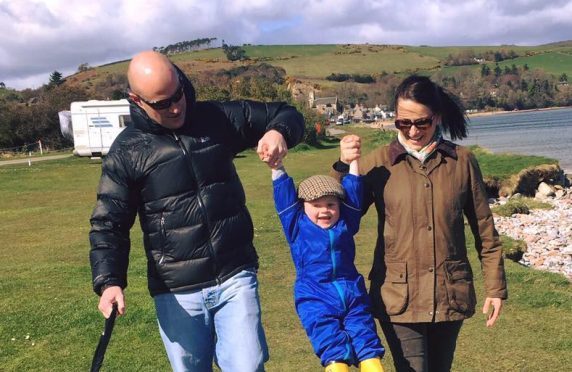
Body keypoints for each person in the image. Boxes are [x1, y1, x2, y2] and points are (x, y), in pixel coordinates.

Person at [89, 50, 305, 372]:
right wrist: (109, 281)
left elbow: (286, 114)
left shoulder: (216, 118)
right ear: (136, 99)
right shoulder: (127, 151)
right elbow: (109, 223)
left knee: (248, 366)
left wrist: (278, 132)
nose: (176, 106)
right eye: (162, 103)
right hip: (177, 290)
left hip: (235, 274)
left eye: (177, 95)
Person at [332, 75, 507, 372]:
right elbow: (340, 214)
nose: (412, 131)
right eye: (403, 123)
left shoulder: (462, 162)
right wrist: (342, 168)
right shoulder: (378, 162)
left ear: (436, 117)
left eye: (421, 123)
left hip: (450, 294)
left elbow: (484, 230)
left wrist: (496, 288)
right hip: (398, 297)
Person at [269, 157, 385, 372]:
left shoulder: (346, 223)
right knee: (332, 349)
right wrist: (277, 167)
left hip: (352, 293)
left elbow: (353, 194)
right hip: (314, 296)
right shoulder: (296, 226)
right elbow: (284, 197)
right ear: (302, 207)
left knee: (368, 345)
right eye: (316, 205)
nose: (325, 211)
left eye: (331, 205)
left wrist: (353, 161)